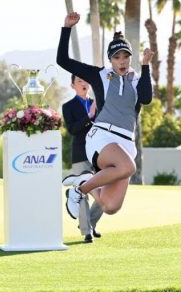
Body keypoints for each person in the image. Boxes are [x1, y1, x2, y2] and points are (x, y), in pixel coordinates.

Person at [57, 12, 153, 224]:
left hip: (126, 146)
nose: (122, 61)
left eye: (126, 56)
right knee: (129, 168)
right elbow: (62, 60)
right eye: (117, 57)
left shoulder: (137, 79)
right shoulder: (99, 75)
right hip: (102, 137)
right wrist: (66, 28)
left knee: (110, 206)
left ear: (130, 58)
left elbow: (146, 99)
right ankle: (78, 191)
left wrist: (145, 65)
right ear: (110, 60)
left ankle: (85, 181)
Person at [62, 75, 103, 243]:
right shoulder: (68, 106)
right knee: (83, 191)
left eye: (86, 80)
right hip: (80, 155)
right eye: (79, 81)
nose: (84, 83)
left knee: (104, 192)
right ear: (73, 85)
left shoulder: (99, 102)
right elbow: (72, 129)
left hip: (99, 154)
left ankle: (90, 222)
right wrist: (90, 115)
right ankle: (87, 231)